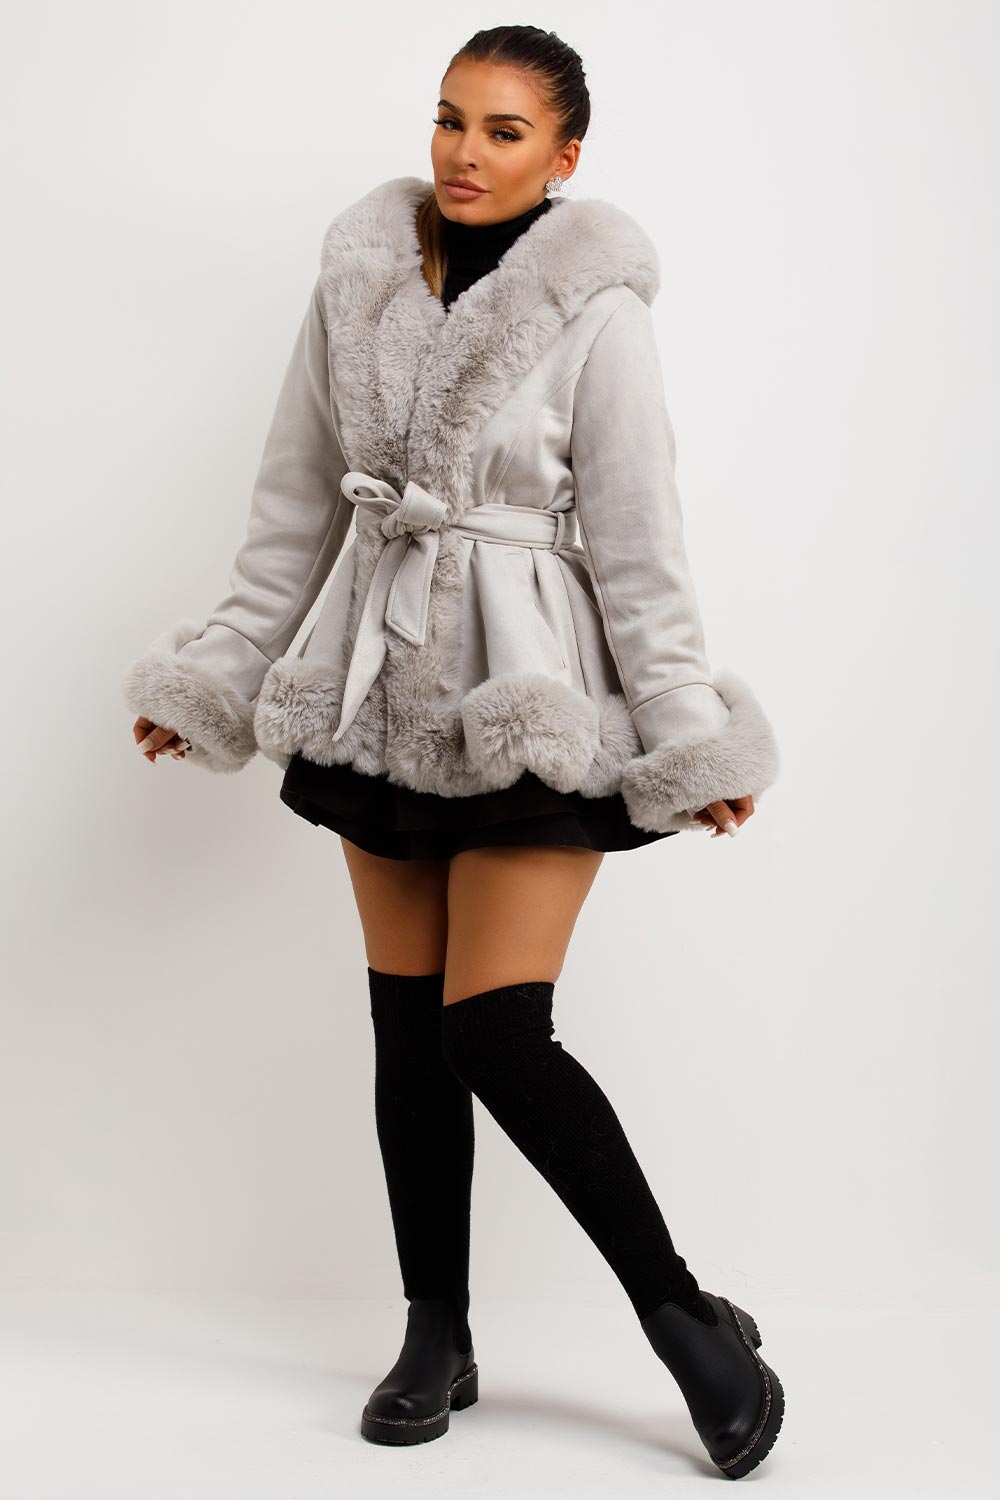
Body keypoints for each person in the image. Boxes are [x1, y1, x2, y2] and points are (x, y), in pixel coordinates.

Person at [123, 24, 783, 1480]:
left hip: (533, 690)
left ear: (565, 155)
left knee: (495, 1031)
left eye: (502, 130)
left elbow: (640, 540)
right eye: (448, 119)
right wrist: (221, 673)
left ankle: (685, 1321)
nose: (464, 152)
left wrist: (686, 731)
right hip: (377, 685)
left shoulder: (597, 307)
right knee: (409, 1029)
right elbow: (295, 505)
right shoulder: (356, 280)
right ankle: (438, 1332)